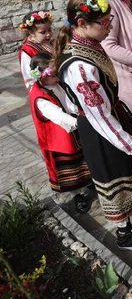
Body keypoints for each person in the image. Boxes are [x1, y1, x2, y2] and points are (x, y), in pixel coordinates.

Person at [54, 0, 132, 251]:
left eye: (110, 20)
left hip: (109, 116)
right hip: (100, 130)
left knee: (128, 172)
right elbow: (99, 117)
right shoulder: (80, 67)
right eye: (105, 22)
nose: (110, 27)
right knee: (115, 178)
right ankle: (125, 234)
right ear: (81, 23)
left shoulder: (88, 44)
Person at [28, 52, 93, 213]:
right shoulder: (40, 98)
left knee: (83, 159)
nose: (58, 77)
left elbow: (68, 101)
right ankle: (77, 195)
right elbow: (59, 116)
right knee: (70, 169)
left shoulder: (56, 85)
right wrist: (80, 122)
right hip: (60, 137)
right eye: (54, 75)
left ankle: (89, 180)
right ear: (42, 77)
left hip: (73, 129)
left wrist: (79, 110)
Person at [18, 11, 54, 91]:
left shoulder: (52, 43)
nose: (48, 34)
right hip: (46, 89)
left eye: (50, 30)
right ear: (31, 33)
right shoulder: (27, 51)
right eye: (43, 32)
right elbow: (29, 78)